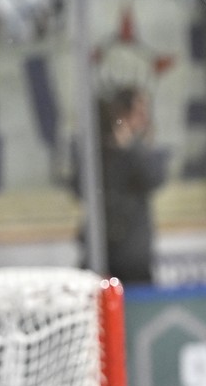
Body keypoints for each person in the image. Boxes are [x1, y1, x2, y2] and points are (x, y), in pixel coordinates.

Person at [69, 85, 168, 286]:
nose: (144, 119)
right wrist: (105, 149)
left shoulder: (140, 148)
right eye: (138, 112)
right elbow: (80, 187)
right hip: (100, 251)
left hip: (133, 257)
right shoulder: (97, 149)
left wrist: (130, 147)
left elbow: (154, 178)